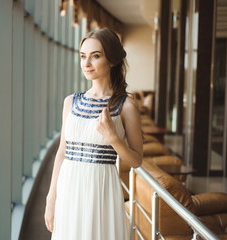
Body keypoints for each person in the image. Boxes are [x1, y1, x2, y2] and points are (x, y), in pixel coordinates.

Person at [44, 28, 143, 240]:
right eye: (83, 56)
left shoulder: (126, 106)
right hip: (68, 187)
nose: (86, 64)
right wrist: (51, 198)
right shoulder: (70, 102)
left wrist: (114, 138)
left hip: (101, 191)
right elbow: (62, 151)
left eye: (95, 56)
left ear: (112, 60)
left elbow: (136, 160)